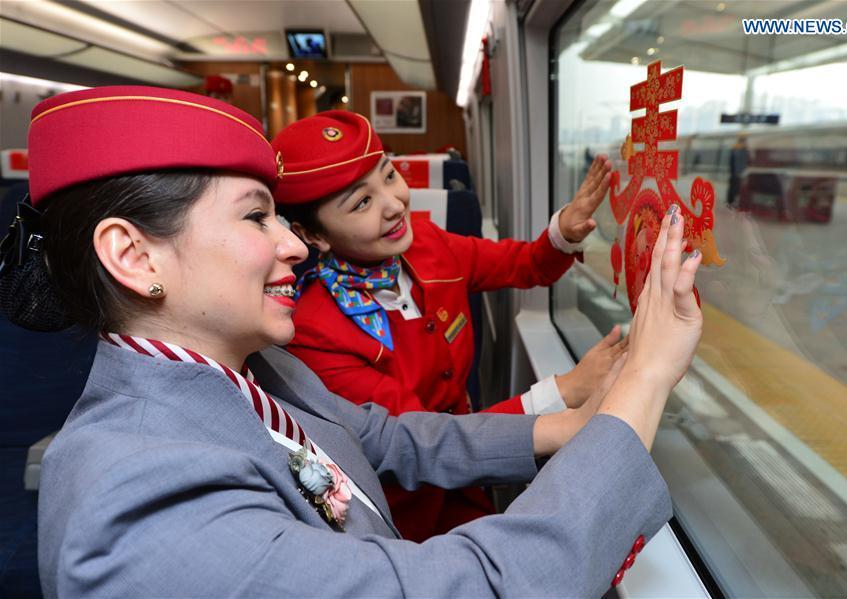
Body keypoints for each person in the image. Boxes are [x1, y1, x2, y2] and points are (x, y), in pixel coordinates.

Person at [3, 86, 703, 597]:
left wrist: (571, 424)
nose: (294, 248)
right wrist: (645, 376)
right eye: (256, 218)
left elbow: (390, 439)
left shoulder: (258, 371)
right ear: (134, 257)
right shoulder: (139, 509)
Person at [272, 111, 628, 540]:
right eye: (362, 203)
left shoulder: (429, 244)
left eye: (389, 176)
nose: (394, 204)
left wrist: (565, 231)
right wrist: (563, 391)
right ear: (312, 236)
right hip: (405, 515)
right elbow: (421, 440)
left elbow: (525, 264)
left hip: (471, 482)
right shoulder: (314, 332)